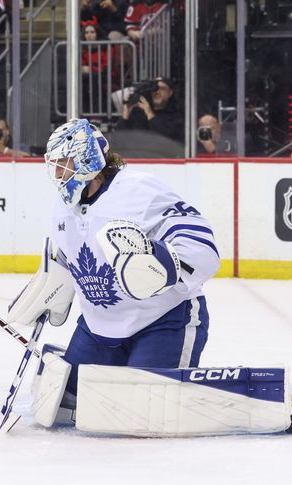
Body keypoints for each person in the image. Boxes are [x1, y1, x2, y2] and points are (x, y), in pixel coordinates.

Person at [21, 117, 220, 425]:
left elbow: (202, 245)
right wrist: (49, 289)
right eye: (55, 165)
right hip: (100, 327)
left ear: (87, 160)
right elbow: (62, 255)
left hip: (163, 321)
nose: (58, 174)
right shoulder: (61, 206)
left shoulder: (137, 189)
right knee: (63, 405)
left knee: (143, 415)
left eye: (64, 164)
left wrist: (163, 264)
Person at [117, 77, 183, 143]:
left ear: (170, 92)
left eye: (162, 88)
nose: (157, 91)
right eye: (154, 88)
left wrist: (149, 113)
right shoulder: (138, 112)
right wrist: (125, 115)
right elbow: (119, 139)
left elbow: (164, 140)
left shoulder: (176, 116)